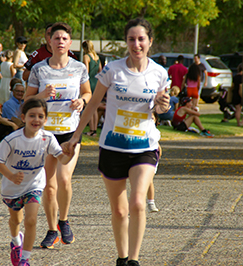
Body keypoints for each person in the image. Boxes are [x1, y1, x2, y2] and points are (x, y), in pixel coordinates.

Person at [62, 18, 170, 266]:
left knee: (138, 202)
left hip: (144, 147)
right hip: (112, 147)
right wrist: (76, 135)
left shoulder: (159, 73)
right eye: (131, 39)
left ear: (150, 42)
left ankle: (134, 260)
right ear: (126, 42)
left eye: (141, 39)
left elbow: (161, 107)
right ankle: (122, 258)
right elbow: (92, 104)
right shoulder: (112, 70)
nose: (136, 44)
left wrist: (163, 106)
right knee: (120, 210)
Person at [24, 22, 91, 249]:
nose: (60, 42)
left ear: (69, 42)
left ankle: (64, 221)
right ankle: (52, 229)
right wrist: (41, 95)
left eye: (64, 38)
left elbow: (88, 92)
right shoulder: (39, 69)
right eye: (56, 38)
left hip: (70, 132)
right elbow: (26, 101)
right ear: (49, 42)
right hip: (45, 133)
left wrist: (82, 101)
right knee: (48, 185)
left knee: (64, 179)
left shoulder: (79, 67)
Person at [0, 98, 75, 266]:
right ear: (23, 118)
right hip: (12, 188)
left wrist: (70, 154)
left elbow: (62, 160)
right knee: (16, 220)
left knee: (31, 220)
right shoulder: (12, 140)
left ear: (45, 119)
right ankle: (16, 241)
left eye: (40, 116)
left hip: (34, 185)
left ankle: (25, 259)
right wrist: (11, 176)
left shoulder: (48, 138)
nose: (36, 120)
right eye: (32, 116)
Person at [82, 40, 102, 136]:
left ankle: (91, 129)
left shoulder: (86, 57)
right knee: (94, 107)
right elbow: (100, 70)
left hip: (89, 82)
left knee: (89, 107)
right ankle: (94, 130)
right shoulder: (97, 57)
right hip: (96, 82)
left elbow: (86, 71)